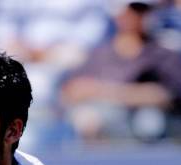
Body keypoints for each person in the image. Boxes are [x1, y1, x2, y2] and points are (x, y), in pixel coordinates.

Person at [61, 0, 181, 141]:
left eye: (142, 12)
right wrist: (136, 94)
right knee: (86, 118)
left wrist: (102, 91)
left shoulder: (163, 54)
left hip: (147, 129)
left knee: (149, 120)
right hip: (108, 127)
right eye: (132, 11)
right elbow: (73, 91)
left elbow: (166, 95)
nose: (138, 17)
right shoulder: (99, 55)